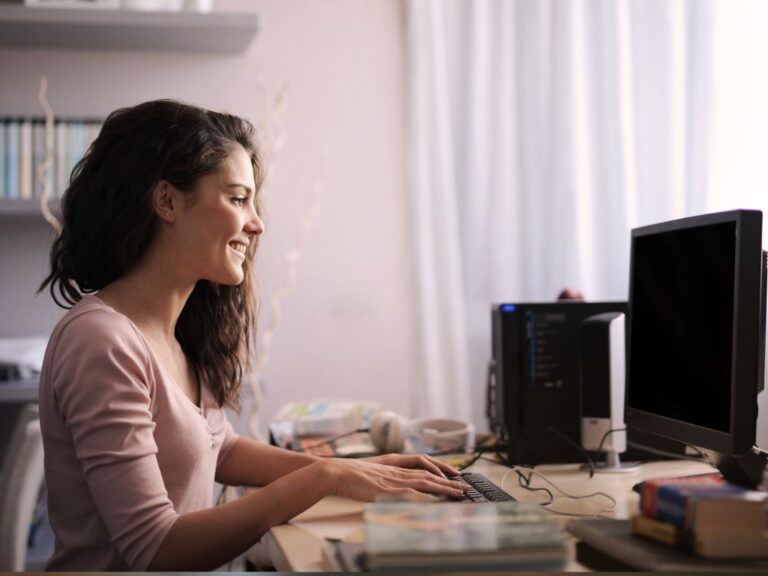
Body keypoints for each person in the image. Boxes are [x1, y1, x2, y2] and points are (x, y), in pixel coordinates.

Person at [37, 99, 467, 571]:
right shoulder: (101, 341)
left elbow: (220, 448)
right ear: (166, 202)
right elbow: (155, 548)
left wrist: (357, 471)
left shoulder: (177, 335)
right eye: (239, 199)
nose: (257, 223)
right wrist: (324, 474)